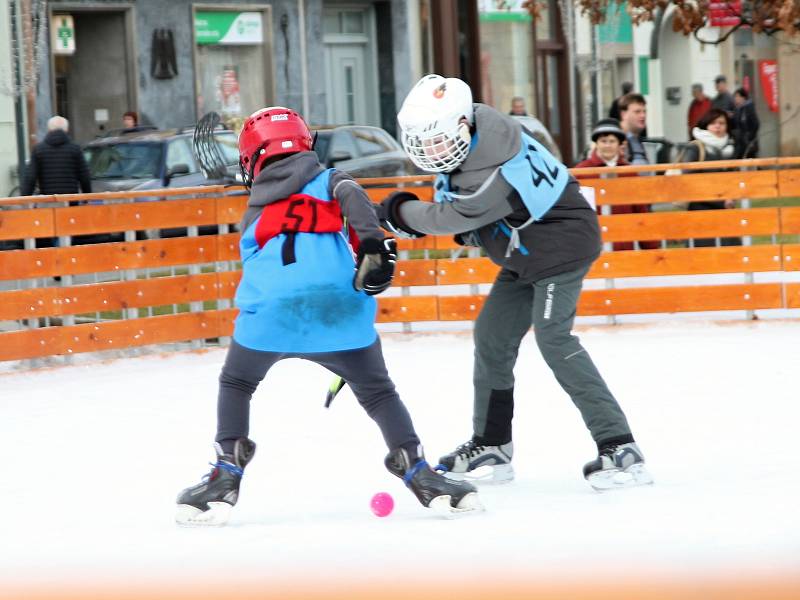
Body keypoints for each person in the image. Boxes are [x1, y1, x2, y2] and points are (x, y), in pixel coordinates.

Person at [175, 106, 479, 526]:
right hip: (339, 312)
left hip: (272, 316)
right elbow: (353, 198)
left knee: (237, 383)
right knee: (378, 393)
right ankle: (418, 471)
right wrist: (372, 241)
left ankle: (227, 471)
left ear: (252, 158)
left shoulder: (255, 206)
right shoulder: (332, 180)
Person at [379, 74, 652, 491]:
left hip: (561, 248)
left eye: (436, 139)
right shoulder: (478, 134)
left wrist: (400, 210)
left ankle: (619, 446)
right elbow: (470, 211)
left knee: (554, 339)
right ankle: (492, 444)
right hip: (523, 252)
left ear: (461, 126)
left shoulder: (492, 165)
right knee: (491, 335)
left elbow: (453, 215)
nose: (430, 150)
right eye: (423, 140)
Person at [574, 118, 659, 251]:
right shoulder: (582, 172)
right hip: (593, 243)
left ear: (620, 144)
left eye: (612, 141)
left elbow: (640, 212)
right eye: (603, 141)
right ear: (596, 143)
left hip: (623, 243)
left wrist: (652, 249)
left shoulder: (629, 173)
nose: (607, 145)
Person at [678, 108, 738, 247]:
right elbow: (688, 182)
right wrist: (721, 202)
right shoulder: (695, 148)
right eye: (713, 123)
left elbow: (733, 179)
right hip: (700, 215)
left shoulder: (729, 150)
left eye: (722, 123)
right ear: (706, 125)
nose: (718, 126)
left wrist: (731, 198)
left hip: (725, 217)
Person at [21, 116, 92, 198]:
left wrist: (24, 199)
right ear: (66, 130)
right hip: (71, 202)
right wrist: (87, 197)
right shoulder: (75, 149)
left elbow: (30, 178)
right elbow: (85, 177)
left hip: (48, 202)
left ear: (49, 130)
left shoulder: (38, 150)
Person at [618, 93, 649, 165]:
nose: (643, 115)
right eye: (637, 112)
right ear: (624, 115)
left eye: (644, 111)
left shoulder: (637, 139)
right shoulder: (614, 140)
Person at [732, 87, 760, 159]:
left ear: (743, 97)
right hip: (741, 143)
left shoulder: (749, 107)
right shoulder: (738, 109)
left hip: (748, 142)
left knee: (750, 161)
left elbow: (756, 124)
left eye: (737, 96)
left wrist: (749, 137)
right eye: (735, 96)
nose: (736, 98)